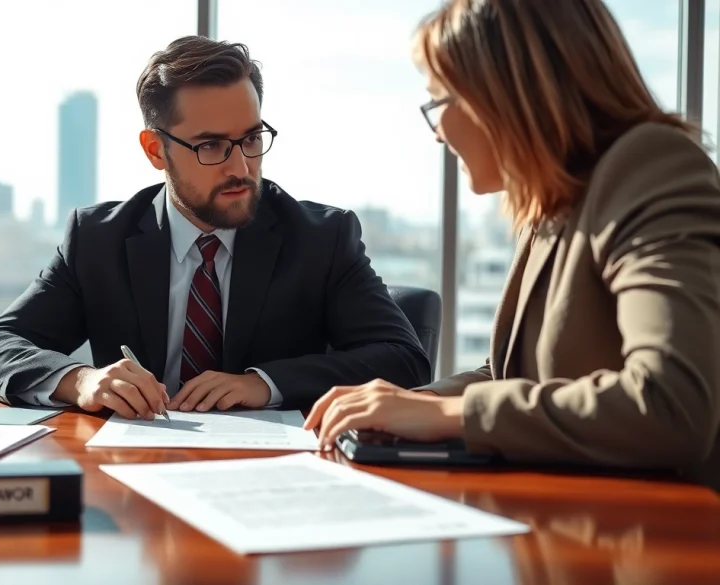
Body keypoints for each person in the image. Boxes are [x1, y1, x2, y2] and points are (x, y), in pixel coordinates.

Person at [306, 0, 720, 489]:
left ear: (501, 94)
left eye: (439, 102)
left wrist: (446, 416)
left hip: (655, 536)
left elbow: (671, 405)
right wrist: (409, 406)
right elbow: (510, 376)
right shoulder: (551, 201)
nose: (437, 133)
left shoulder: (650, 167)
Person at [0, 36, 430, 419]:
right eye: (211, 146)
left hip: (274, 479)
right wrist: (81, 380)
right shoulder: (97, 239)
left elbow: (404, 358)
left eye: (251, 139)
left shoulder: (321, 238)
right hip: (134, 476)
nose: (242, 167)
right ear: (155, 150)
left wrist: (262, 384)